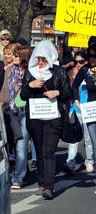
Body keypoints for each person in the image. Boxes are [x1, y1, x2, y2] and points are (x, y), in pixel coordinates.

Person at [20, 40, 72, 200]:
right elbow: (23, 95)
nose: (41, 63)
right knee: (40, 149)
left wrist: (57, 92)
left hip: (53, 117)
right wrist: (30, 85)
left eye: (44, 59)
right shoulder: (30, 72)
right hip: (35, 118)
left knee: (48, 150)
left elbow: (68, 91)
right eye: (38, 59)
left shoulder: (59, 72)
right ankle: (42, 181)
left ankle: (49, 186)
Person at [72, 49, 96, 196]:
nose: (93, 59)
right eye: (91, 56)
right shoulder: (85, 70)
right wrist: (77, 101)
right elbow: (74, 85)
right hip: (91, 111)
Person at [0, 45, 32, 188]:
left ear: (24, 57)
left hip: (25, 111)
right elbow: (6, 89)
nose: (14, 57)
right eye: (13, 54)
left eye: (17, 55)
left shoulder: (31, 72)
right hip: (11, 110)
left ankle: (19, 177)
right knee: (12, 143)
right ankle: (22, 172)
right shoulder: (10, 70)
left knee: (21, 143)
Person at [64, 51, 94, 174]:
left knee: (88, 138)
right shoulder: (72, 74)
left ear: (86, 62)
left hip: (88, 109)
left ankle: (89, 161)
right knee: (74, 138)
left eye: (81, 62)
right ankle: (70, 162)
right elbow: (68, 90)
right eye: (76, 62)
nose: (78, 64)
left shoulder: (90, 73)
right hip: (75, 109)